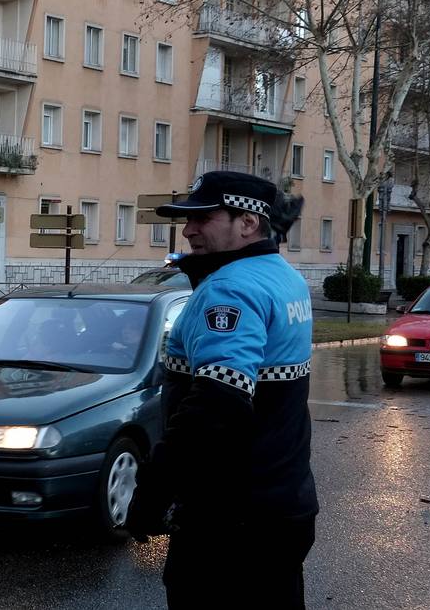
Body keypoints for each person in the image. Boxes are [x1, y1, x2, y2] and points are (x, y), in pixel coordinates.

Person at [125, 171, 315, 609]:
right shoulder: (283, 277)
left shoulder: (229, 288)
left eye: (203, 218)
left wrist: (153, 491)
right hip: (284, 504)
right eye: (187, 220)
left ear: (248, 222)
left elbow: (218, 403)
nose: (188, 230)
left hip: (230, 521)